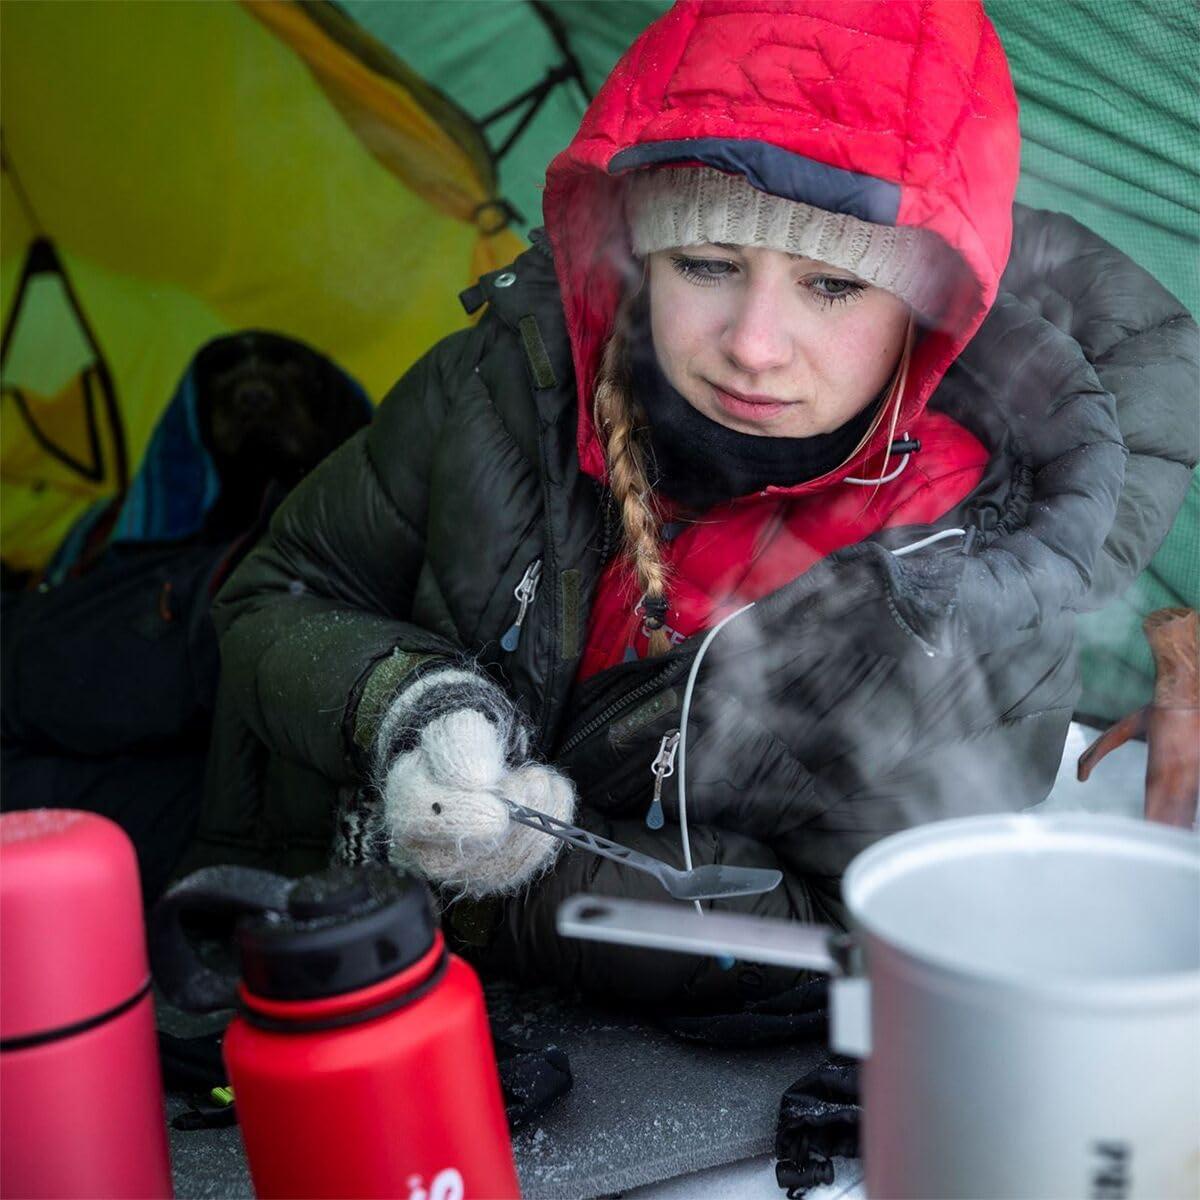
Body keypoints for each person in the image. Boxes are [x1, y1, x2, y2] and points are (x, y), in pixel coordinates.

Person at [183, 0, 1198, 1006]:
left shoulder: (975, 582)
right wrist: (408, 703)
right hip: (283, 969)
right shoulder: (513, 381)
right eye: (707, 265)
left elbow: (867, 936)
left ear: (929, 315)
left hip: (632, 1079)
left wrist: (518, 879)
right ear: (637, 255)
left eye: (834, 286)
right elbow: (281, 591)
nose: (753, 345)